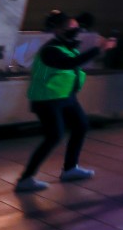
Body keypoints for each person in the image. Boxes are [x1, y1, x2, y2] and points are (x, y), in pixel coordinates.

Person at [16, 11, 115, 193]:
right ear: (58, 30)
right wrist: (99, 49)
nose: (76, 31)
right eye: (71, 28)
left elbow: (74, 63)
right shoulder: (50, 50)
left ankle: (70, 169)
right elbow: (70, 63)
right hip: (46, 99)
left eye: (77, 28)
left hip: (65, 96)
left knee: (81, 126)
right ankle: (25, 178)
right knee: (54, 136)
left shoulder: (67, 47)